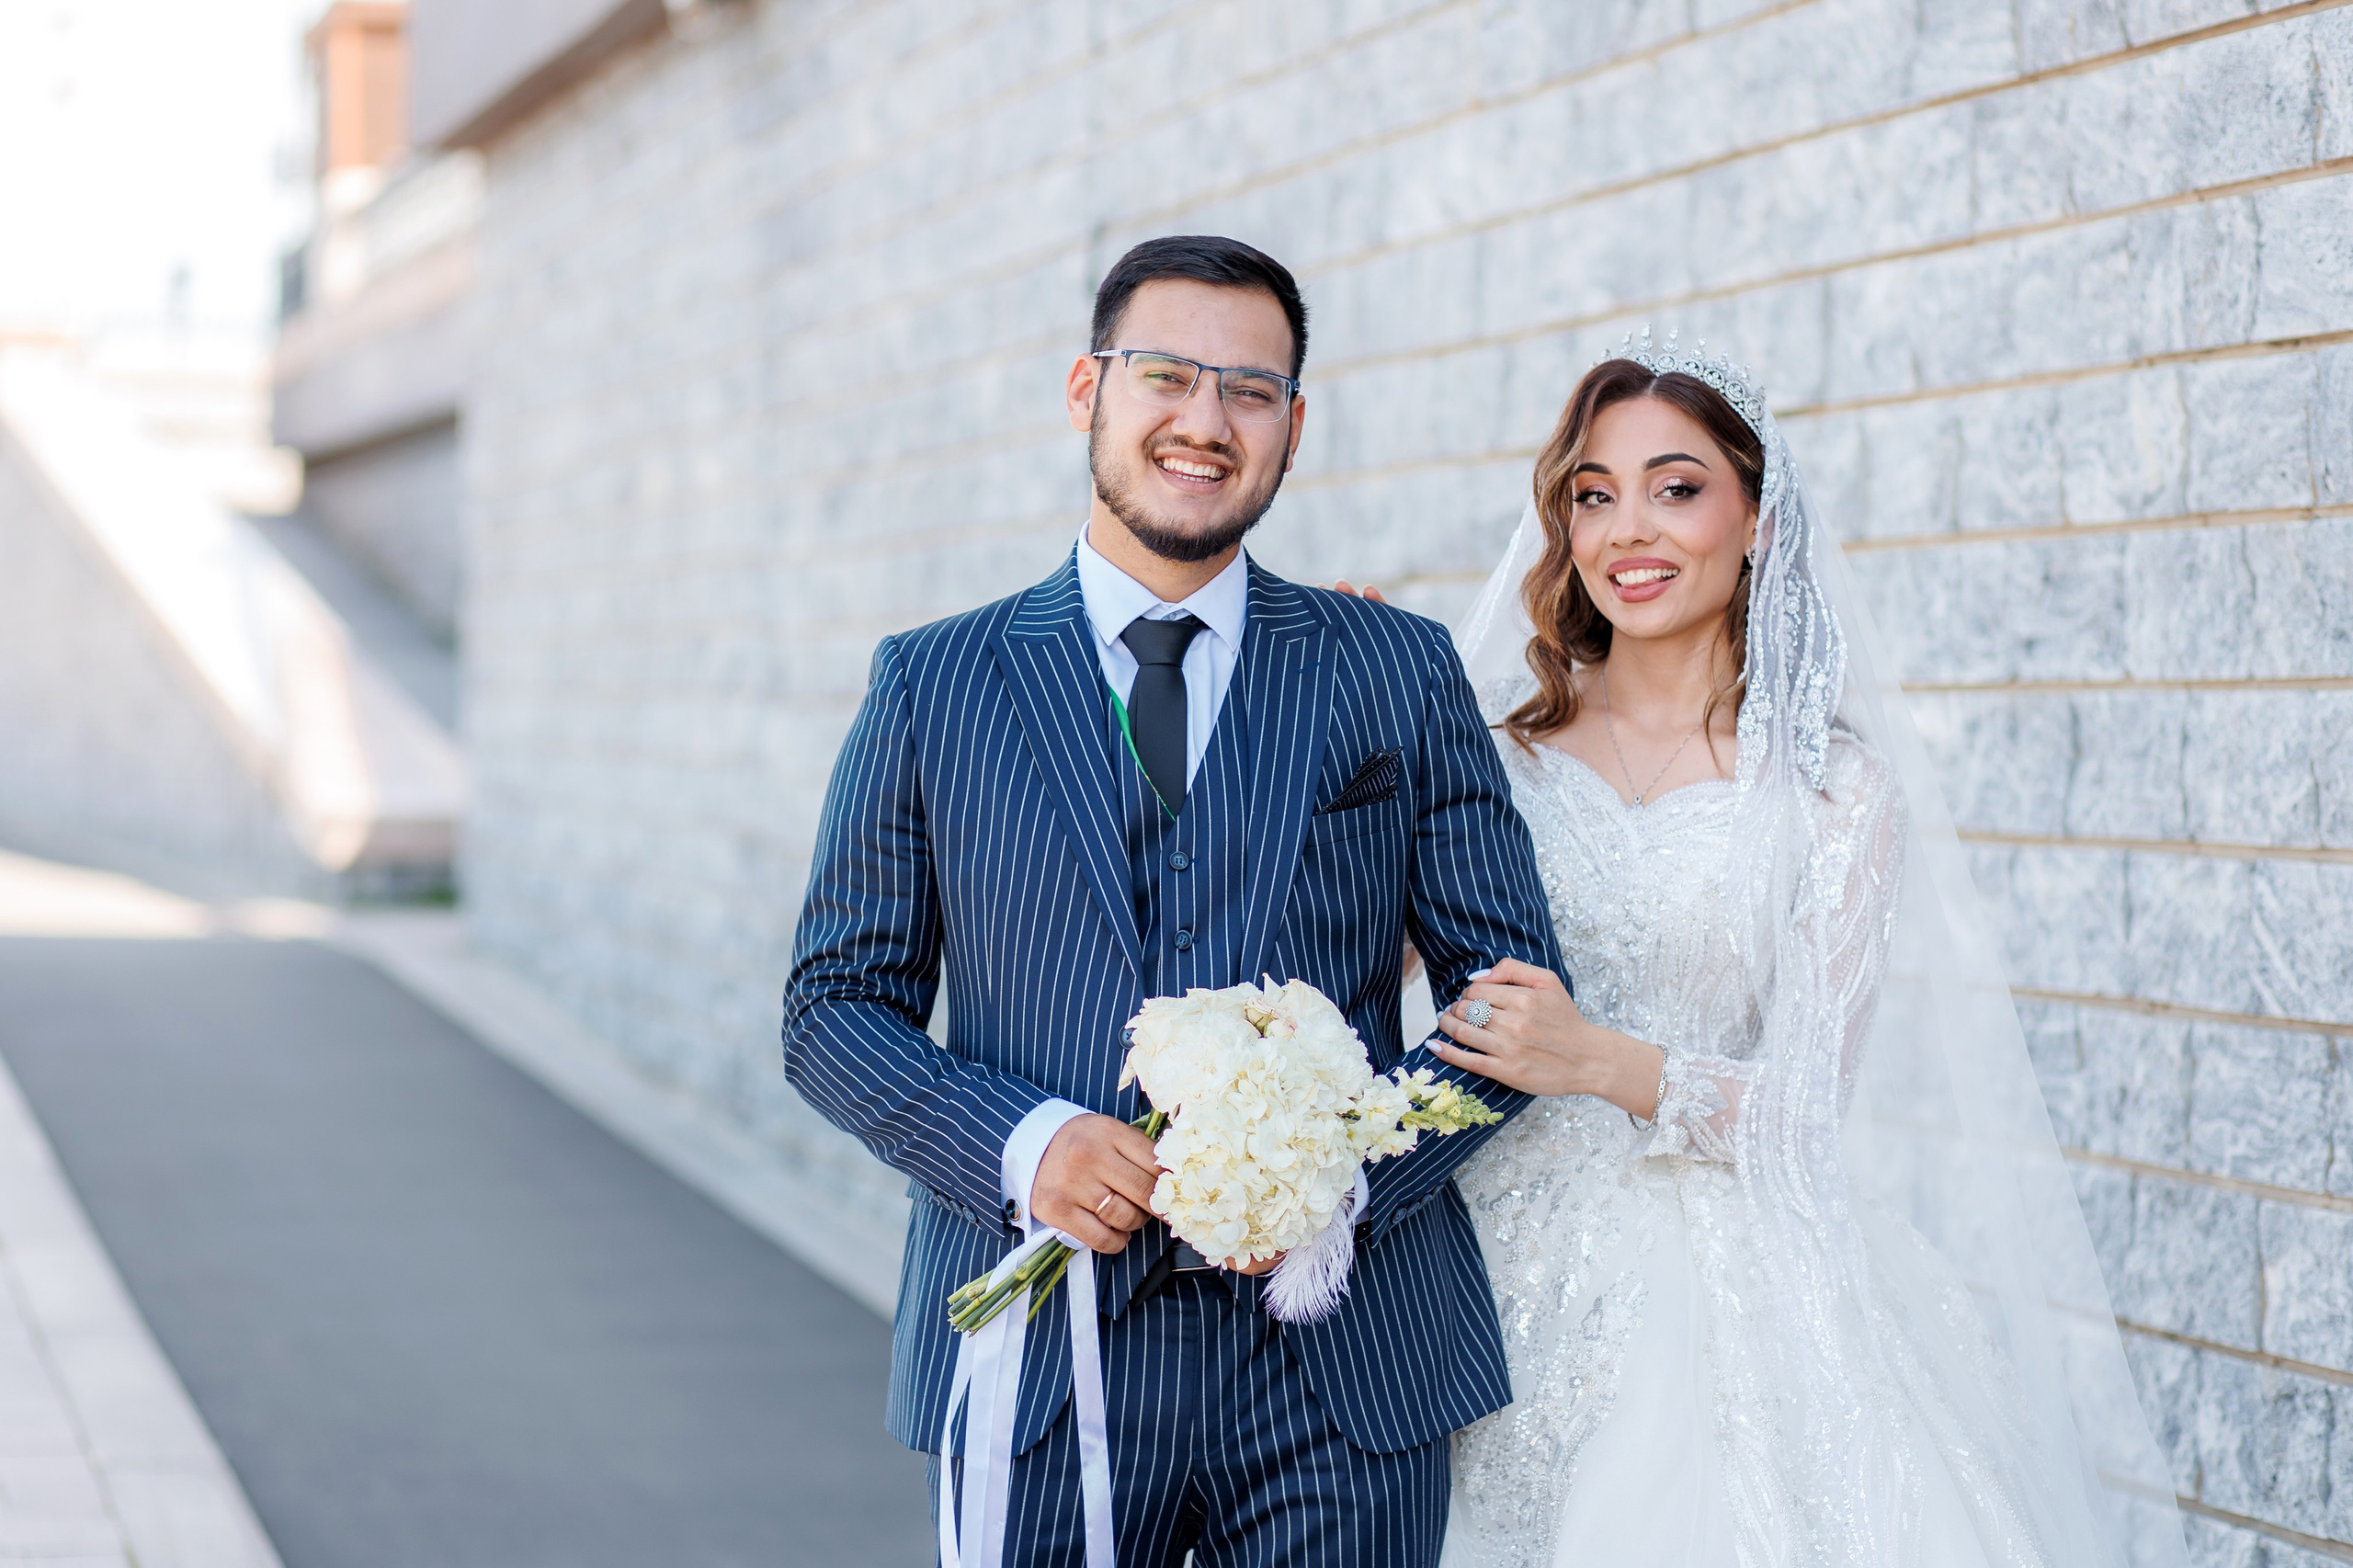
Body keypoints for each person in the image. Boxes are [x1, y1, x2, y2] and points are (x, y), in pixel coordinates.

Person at [782, 235, 1563, 1567]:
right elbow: (832, 1010)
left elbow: (1516, 997)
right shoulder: (934, 685)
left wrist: (1330, 1188)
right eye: (1166, 375)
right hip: (1042, 1363)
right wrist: (1025, 1145)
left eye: (1250, 391)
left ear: (1293, 427)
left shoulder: (1394, 667)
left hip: (1344, 1363)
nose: (1205, 420)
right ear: (1087, 389)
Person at [1341, 337, 2187, 1567]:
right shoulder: (1490, 757)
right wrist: (1353, 764)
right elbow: (1375, 975)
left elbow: (1802, 1112)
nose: (1629, 528)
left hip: (1715, 1285)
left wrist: (1595, 1058)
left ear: (1760, 520)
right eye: (1594, 492)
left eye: (1676, 487)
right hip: (1476, 1269)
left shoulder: (1832, 795)